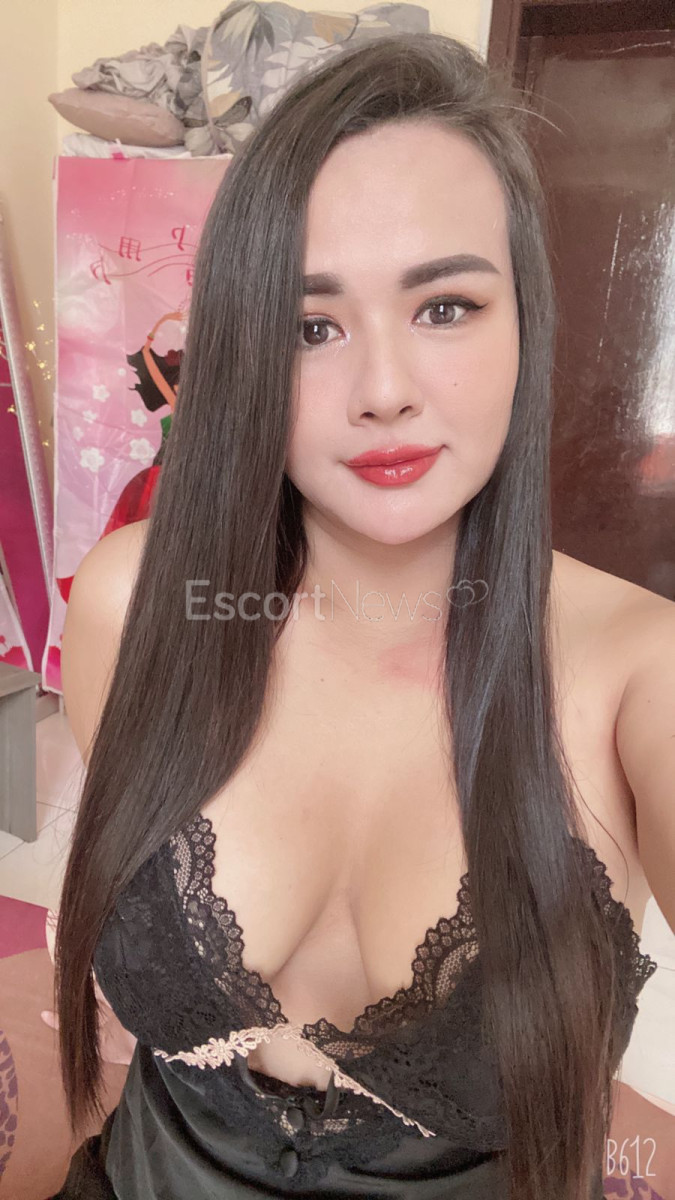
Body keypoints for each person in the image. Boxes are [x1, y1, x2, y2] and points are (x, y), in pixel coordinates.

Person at [48, 32, 674, 1200]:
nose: (384, 389)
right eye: (312, 326)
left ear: (526, 323)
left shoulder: (641, 676)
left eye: (446, 306)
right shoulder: (136, 607)